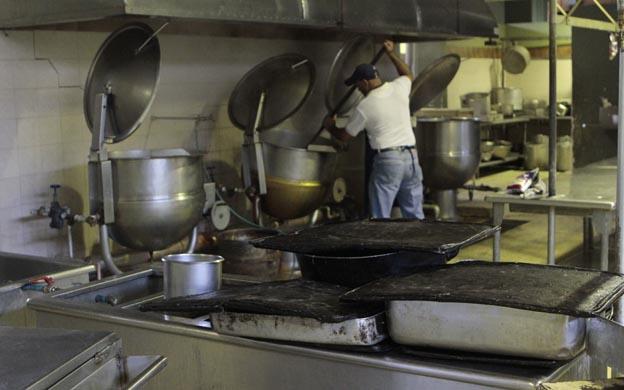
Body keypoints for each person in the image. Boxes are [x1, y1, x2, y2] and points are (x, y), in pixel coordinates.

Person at [323, 40, 424, 219]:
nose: (358, 89)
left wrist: (330, 127)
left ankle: (383, 247)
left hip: (389, 161)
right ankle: (421, 246)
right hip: (411, 158)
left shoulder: (365, 106)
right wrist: (392, 54)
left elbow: (345, 136)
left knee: (380, 217)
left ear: (365, 82)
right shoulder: (398, 87)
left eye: (357, 85)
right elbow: (407, 74)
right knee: (414, 214)